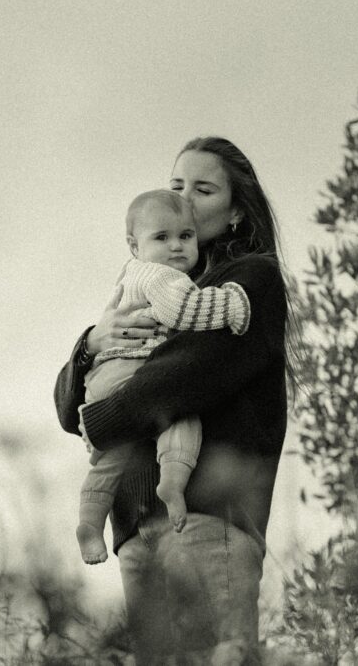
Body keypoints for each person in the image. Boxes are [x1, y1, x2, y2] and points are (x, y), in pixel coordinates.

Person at [55, 137, 296, 664]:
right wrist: (91, 344)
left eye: (203, 190)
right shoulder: (148, 286)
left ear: (235, 211)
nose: (185, 198)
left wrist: (98, 421)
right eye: (176, 185)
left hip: (208, 524)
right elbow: (67, 404)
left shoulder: (247, 283)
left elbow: (174, 383)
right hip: (137, 532)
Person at [76, 189, 251, 566]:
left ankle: (90, 523)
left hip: (104, 377)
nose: (176, 247)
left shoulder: (132, 274)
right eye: (162, 238)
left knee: (112, 458)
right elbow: (182, 311)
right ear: (133, 245)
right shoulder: (161, 277)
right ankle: (172, 480)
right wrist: (231, 306)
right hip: (131, 368)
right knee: (181, 416)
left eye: (185, 237)